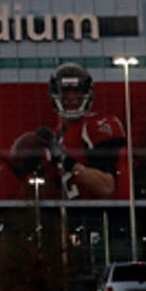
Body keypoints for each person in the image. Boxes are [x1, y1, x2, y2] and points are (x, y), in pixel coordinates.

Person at [7, 63, 127, 199]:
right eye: (65, 94)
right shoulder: (55, 136)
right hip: (73, 215)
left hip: (110, 215)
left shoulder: (98, 125)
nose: (71, 99)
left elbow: (106, 187)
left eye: (77, 94)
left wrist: (65, 160)